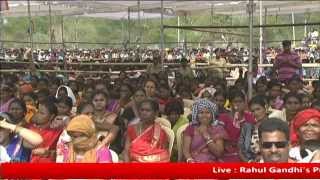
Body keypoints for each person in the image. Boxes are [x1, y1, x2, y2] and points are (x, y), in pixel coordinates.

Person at [218, 91, 255, 162]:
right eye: (235, 102)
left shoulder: (249, 116)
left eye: (240, 101)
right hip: (227, 152)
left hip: (245, 152)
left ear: (244, 103)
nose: (238, 104)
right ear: (231, 103)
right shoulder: (223, 117)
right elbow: (220, 137)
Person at [239, 95, 270, 162]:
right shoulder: (247, 128)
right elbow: (240, 151)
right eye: (253, 111)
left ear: (265, 108)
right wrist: (249, 163)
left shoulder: (274, 126)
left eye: (258, 109)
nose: (256, 113)